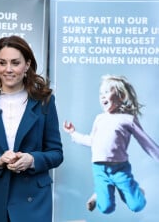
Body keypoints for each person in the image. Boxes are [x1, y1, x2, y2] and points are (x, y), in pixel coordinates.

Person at [0, 35, 64, 222]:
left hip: (34, 201)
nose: (8, 69)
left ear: (27, 65)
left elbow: (56, 153)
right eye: (2, 63)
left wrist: (32, 159)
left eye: (15, 63)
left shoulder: (44, 102)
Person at [63, 74, 159, 214]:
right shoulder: (99, 118)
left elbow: (146, 142)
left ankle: (136, 191)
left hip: (120, 169)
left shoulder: (128, 119)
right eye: (101, 93)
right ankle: (99, 194)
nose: (102, 96)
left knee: (137, 205)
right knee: (106, 208)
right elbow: (92, 141)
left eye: (107, 92)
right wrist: (73, 133)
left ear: (121, 96)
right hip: (100, 169)